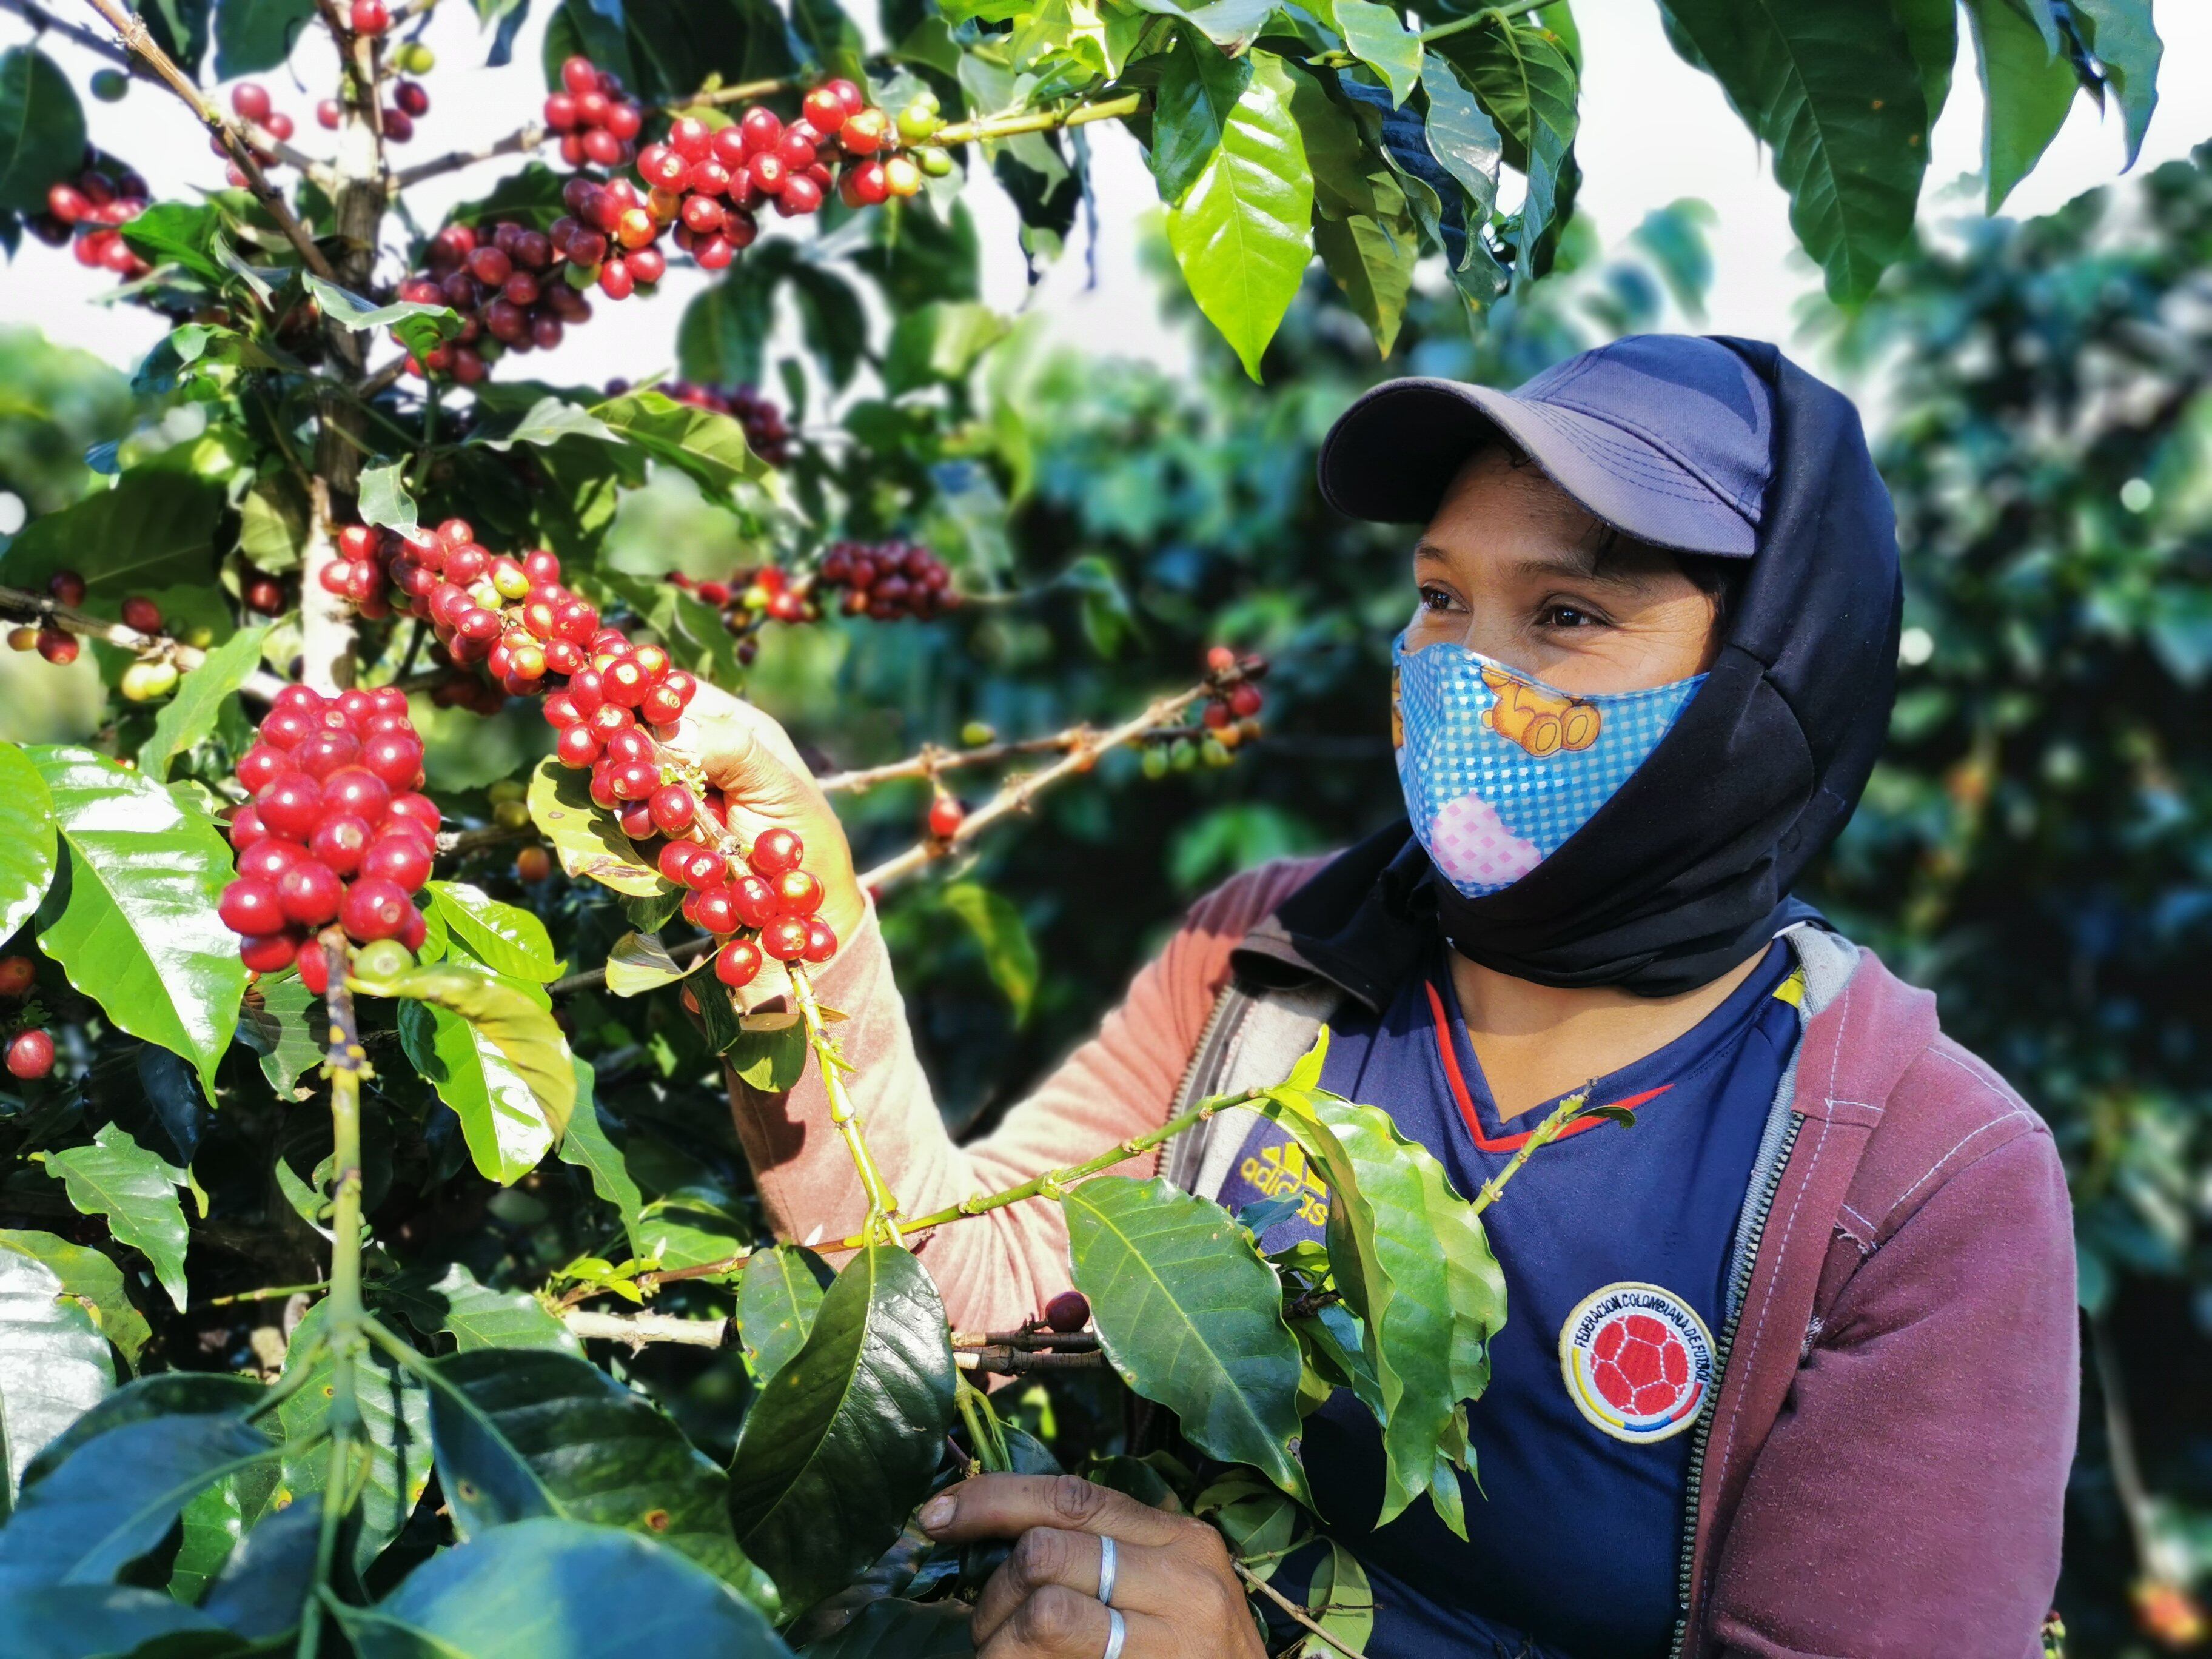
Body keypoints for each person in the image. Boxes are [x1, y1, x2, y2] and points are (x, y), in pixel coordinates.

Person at [685, 336, 2079, 1658]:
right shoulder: (1274, 959)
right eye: (1440, 597)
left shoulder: (1921, 1182)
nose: (1468, 672)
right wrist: (802, 939)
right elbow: (969, 1290)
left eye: (1570, 613)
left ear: (1776, 672)